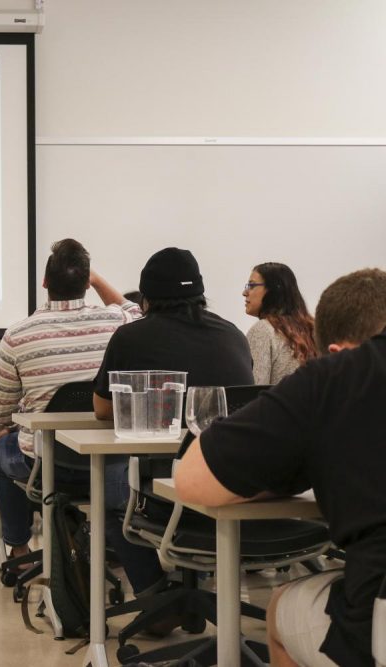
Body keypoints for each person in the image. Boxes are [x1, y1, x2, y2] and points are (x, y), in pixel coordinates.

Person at [176, 268, 386, 667]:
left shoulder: (337, 375)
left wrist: (300, 462)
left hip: (380, 615)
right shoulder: (299, 330)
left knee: (281, 607)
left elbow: (192, 480)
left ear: (339, 354)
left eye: (250, 285)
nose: (243, 292)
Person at [91, 247, 254, 623]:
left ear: (145, 298)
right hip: (233, 483)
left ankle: (155, 598)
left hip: (169, 486)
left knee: (108, 493)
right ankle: (200, 595)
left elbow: (101, 409)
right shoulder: (233, 335)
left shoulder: (130, 338)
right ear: (200, 292)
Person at [0, 239, 141, 562]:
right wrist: (98, 280)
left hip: (46, 465)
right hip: (107, 463)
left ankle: (17, 550)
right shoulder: (116, 323)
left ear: (44, 283)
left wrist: (2, 428)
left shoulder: (18, 334)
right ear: (87, 283)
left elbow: (2, 408)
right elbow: (138, 312)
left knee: (1, 450)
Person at [243, 262, 317, 384]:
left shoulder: (262, 330)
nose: (245, 293)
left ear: (272, 290)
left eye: (251, 285)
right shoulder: (313, 329)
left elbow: (253, 392)